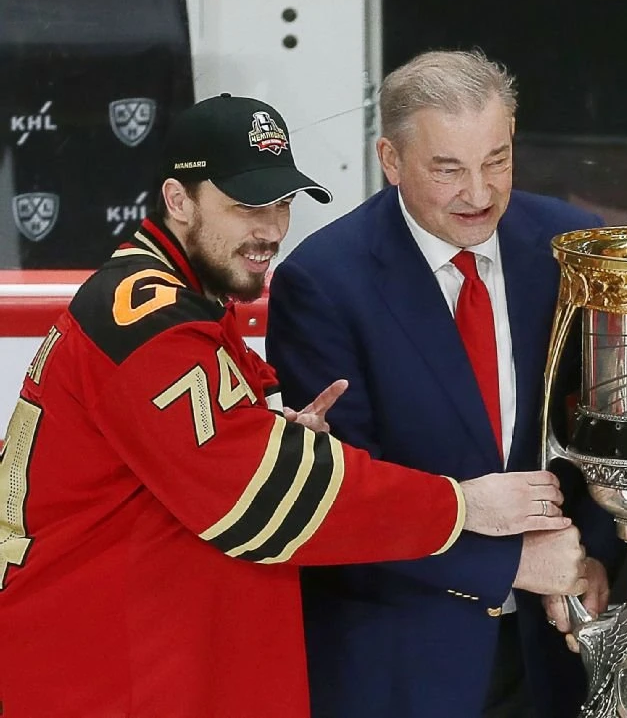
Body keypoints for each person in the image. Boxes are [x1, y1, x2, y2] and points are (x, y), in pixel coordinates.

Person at [0, 93, 570, 718]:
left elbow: (189, 472)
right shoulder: (148, 321)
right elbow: (259, 502)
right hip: (96, 678)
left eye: (282, 203)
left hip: (116, 661)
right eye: (247, 206)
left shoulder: (174, 301)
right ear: (178, 200)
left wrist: (269, 436)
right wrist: (463, 505)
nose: (272, 230)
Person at [266, 50, 618, 718]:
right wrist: (509, 564)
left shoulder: (569, 246)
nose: (479, 194)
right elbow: (342, 500)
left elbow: (603, 422)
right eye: (448, 169)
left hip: (551, 651)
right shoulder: (324, 283)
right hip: (403, 664)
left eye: (497, 160)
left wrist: (592, 559)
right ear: (391, 160)